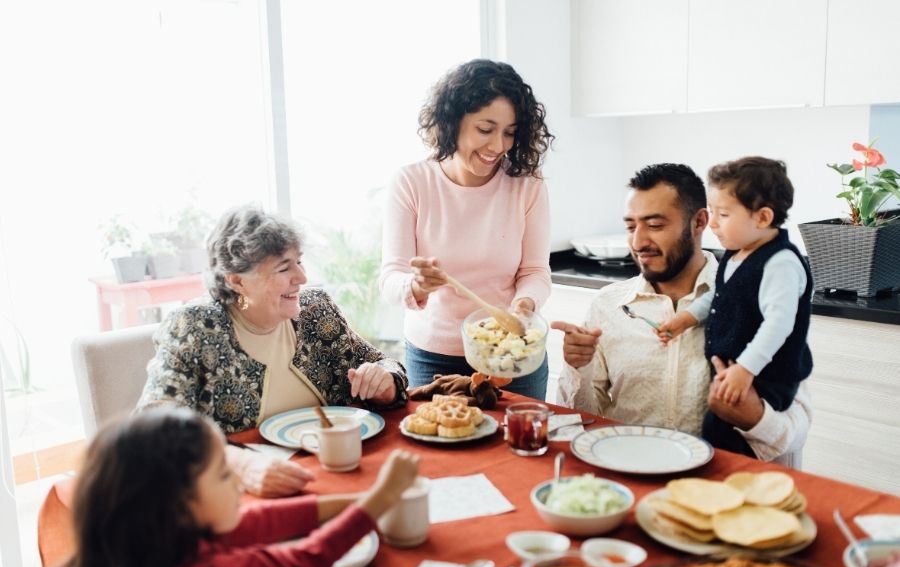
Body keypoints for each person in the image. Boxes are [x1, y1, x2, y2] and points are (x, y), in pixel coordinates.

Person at [552, 163, 811, 467]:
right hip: (629, 472)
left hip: (719, 480)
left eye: (655, 225)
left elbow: (796, 430)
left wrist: (754, 418)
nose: (638, 242)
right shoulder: (607, 306)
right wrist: (578, 366)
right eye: (631, 227)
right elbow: (577, 423)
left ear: (699, 221)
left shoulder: (758, 297)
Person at [138, 207, 408, 497]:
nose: (302, 277)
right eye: (283, 268)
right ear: (236, 280)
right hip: (245, 488)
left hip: (342, 471)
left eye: (299, 262)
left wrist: (385, 384)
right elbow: (155, 427)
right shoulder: (194, 327)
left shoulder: (317, 310)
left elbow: (385, 364)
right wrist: (239, 465)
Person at [55, 408, 420, 567]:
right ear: (177, 502)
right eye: (223, 475)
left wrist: (361, 499)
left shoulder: (154, 548)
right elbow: (306, 559)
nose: (237, 484)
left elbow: (258, 521)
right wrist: (380, 500)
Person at [379, 58, 554, 400]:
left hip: (511, 354)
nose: (498, 146)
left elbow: (535, 271)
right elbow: (390, 279)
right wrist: (415, 285)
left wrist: (524, 306)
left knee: (519, 436)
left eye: (509, 132)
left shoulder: (527, 185)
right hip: (433, 356)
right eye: (485, 129)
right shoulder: (411, 182)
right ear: (452, 121)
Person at [656, 157, 813, 456]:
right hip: (736, 370)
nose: (713, 222)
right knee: (716, 429)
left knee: (733, 437)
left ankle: (738, 472)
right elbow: (721, 295)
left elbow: (778, 324)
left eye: (724, 214)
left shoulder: (781, 263)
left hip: (768, 375)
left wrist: (746, 369)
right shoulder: (736, 253)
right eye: (712, 211)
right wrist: (687, 318)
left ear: (763, 218)